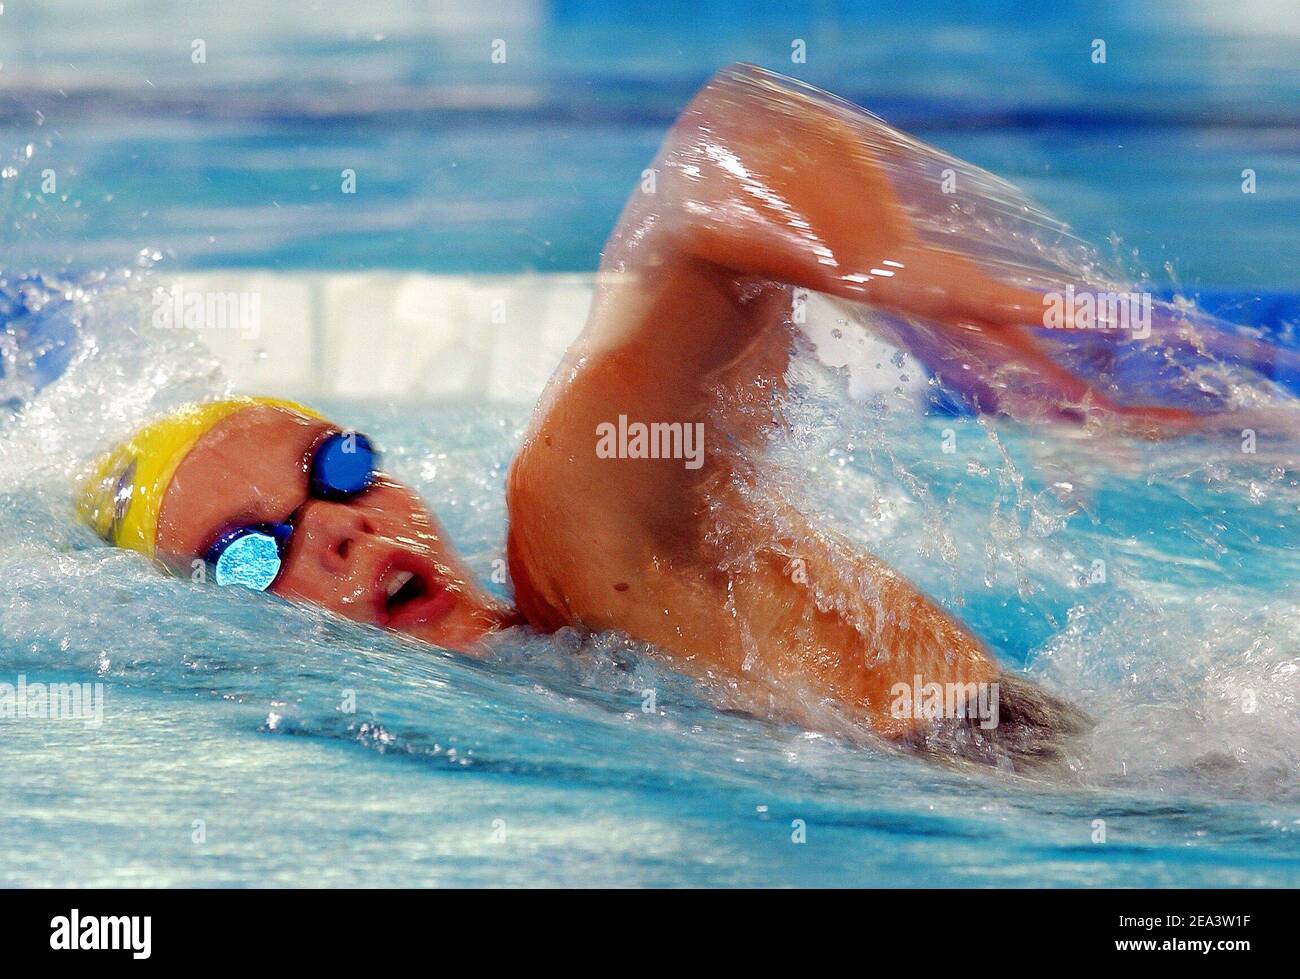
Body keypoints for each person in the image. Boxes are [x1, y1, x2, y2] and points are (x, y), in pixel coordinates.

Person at [97, 63, 1272, 763]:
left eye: (337, 469)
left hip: (1112, 791)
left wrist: (898, 275)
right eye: (252, 557)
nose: (337, 530)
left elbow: (734, 139)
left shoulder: (582, 543)